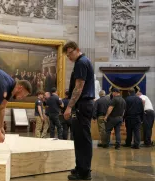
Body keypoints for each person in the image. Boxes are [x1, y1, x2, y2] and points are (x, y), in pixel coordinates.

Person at [62, 41, 95, 180]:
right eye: (67, 54)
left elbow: (79, 86)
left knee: (83, 139)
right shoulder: (81, 62)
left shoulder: (81, 62)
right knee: (79, 138)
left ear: (77, 50)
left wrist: (69, 106)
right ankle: (80, 167)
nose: (69, 57)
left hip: (83, 104)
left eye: (70, 53)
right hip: (81, 104)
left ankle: (85, 172)